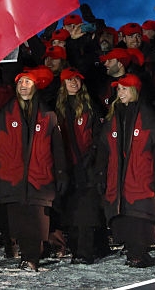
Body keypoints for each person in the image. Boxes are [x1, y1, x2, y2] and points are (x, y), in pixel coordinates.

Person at [0, 66, 68, 272]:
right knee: (20, 221)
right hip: (12, 177)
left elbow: (57, 148)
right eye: (20, 82)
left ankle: (32, 258)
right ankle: (28, 256)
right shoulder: (5, 111)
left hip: (39, 177)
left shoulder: (48, 114)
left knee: (37, 221)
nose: (23, 86)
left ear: (35, 86)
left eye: (27, 82)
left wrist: (61, 173)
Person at [96, 73, 155, 268]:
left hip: (141, 174)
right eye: (118, 89)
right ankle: (133, 253)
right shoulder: (113, 116)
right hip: (119, 176)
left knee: (139, 215)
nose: (120, 93)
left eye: (124, 89)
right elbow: (103, 148)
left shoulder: (147, 115)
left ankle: (139, 253)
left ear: (135, 91)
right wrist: (101, 172)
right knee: (125, 215)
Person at [55, 68, 106, 264]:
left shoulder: (90, 106)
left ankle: (85, 251)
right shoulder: (58, 108)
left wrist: (91, 154)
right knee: (72, 210)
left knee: (87, 211)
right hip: (67, 166)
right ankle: (77, 249)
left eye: (77, 79)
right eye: (69, 80)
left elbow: (98, 134)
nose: (74, 83)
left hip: (88, 167)